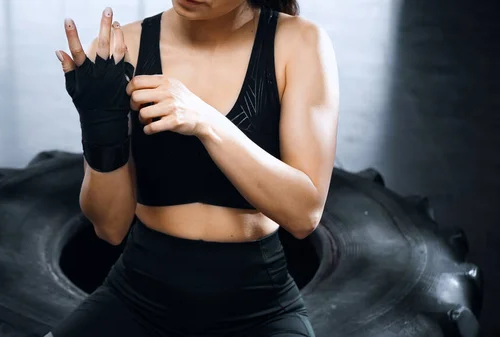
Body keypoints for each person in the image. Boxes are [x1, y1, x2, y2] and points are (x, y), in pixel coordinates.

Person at [50, 0, 338, 335]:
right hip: (136, 297)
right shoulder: (125, 47)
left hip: (259, 309)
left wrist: (206, 120)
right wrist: (100, 130)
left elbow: (304, 214)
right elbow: (109, 228)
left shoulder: (299, 44)